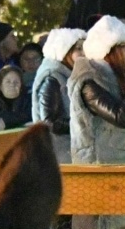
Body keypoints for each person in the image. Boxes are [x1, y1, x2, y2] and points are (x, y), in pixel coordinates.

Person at [70, 14, 125, 167]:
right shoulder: (88, 80)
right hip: (97, 166)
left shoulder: (122, 77)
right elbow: (120, 117)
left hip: (122, 161)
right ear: (107, 50)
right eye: (124, 46)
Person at [34, 27, 86, 161]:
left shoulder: (76, 75)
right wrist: (81, 123)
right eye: (78, 48)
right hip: (58, 152)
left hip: (72, 149)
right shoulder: (52, 78)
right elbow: (48, 121)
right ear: (65, 51)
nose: (84, 53)